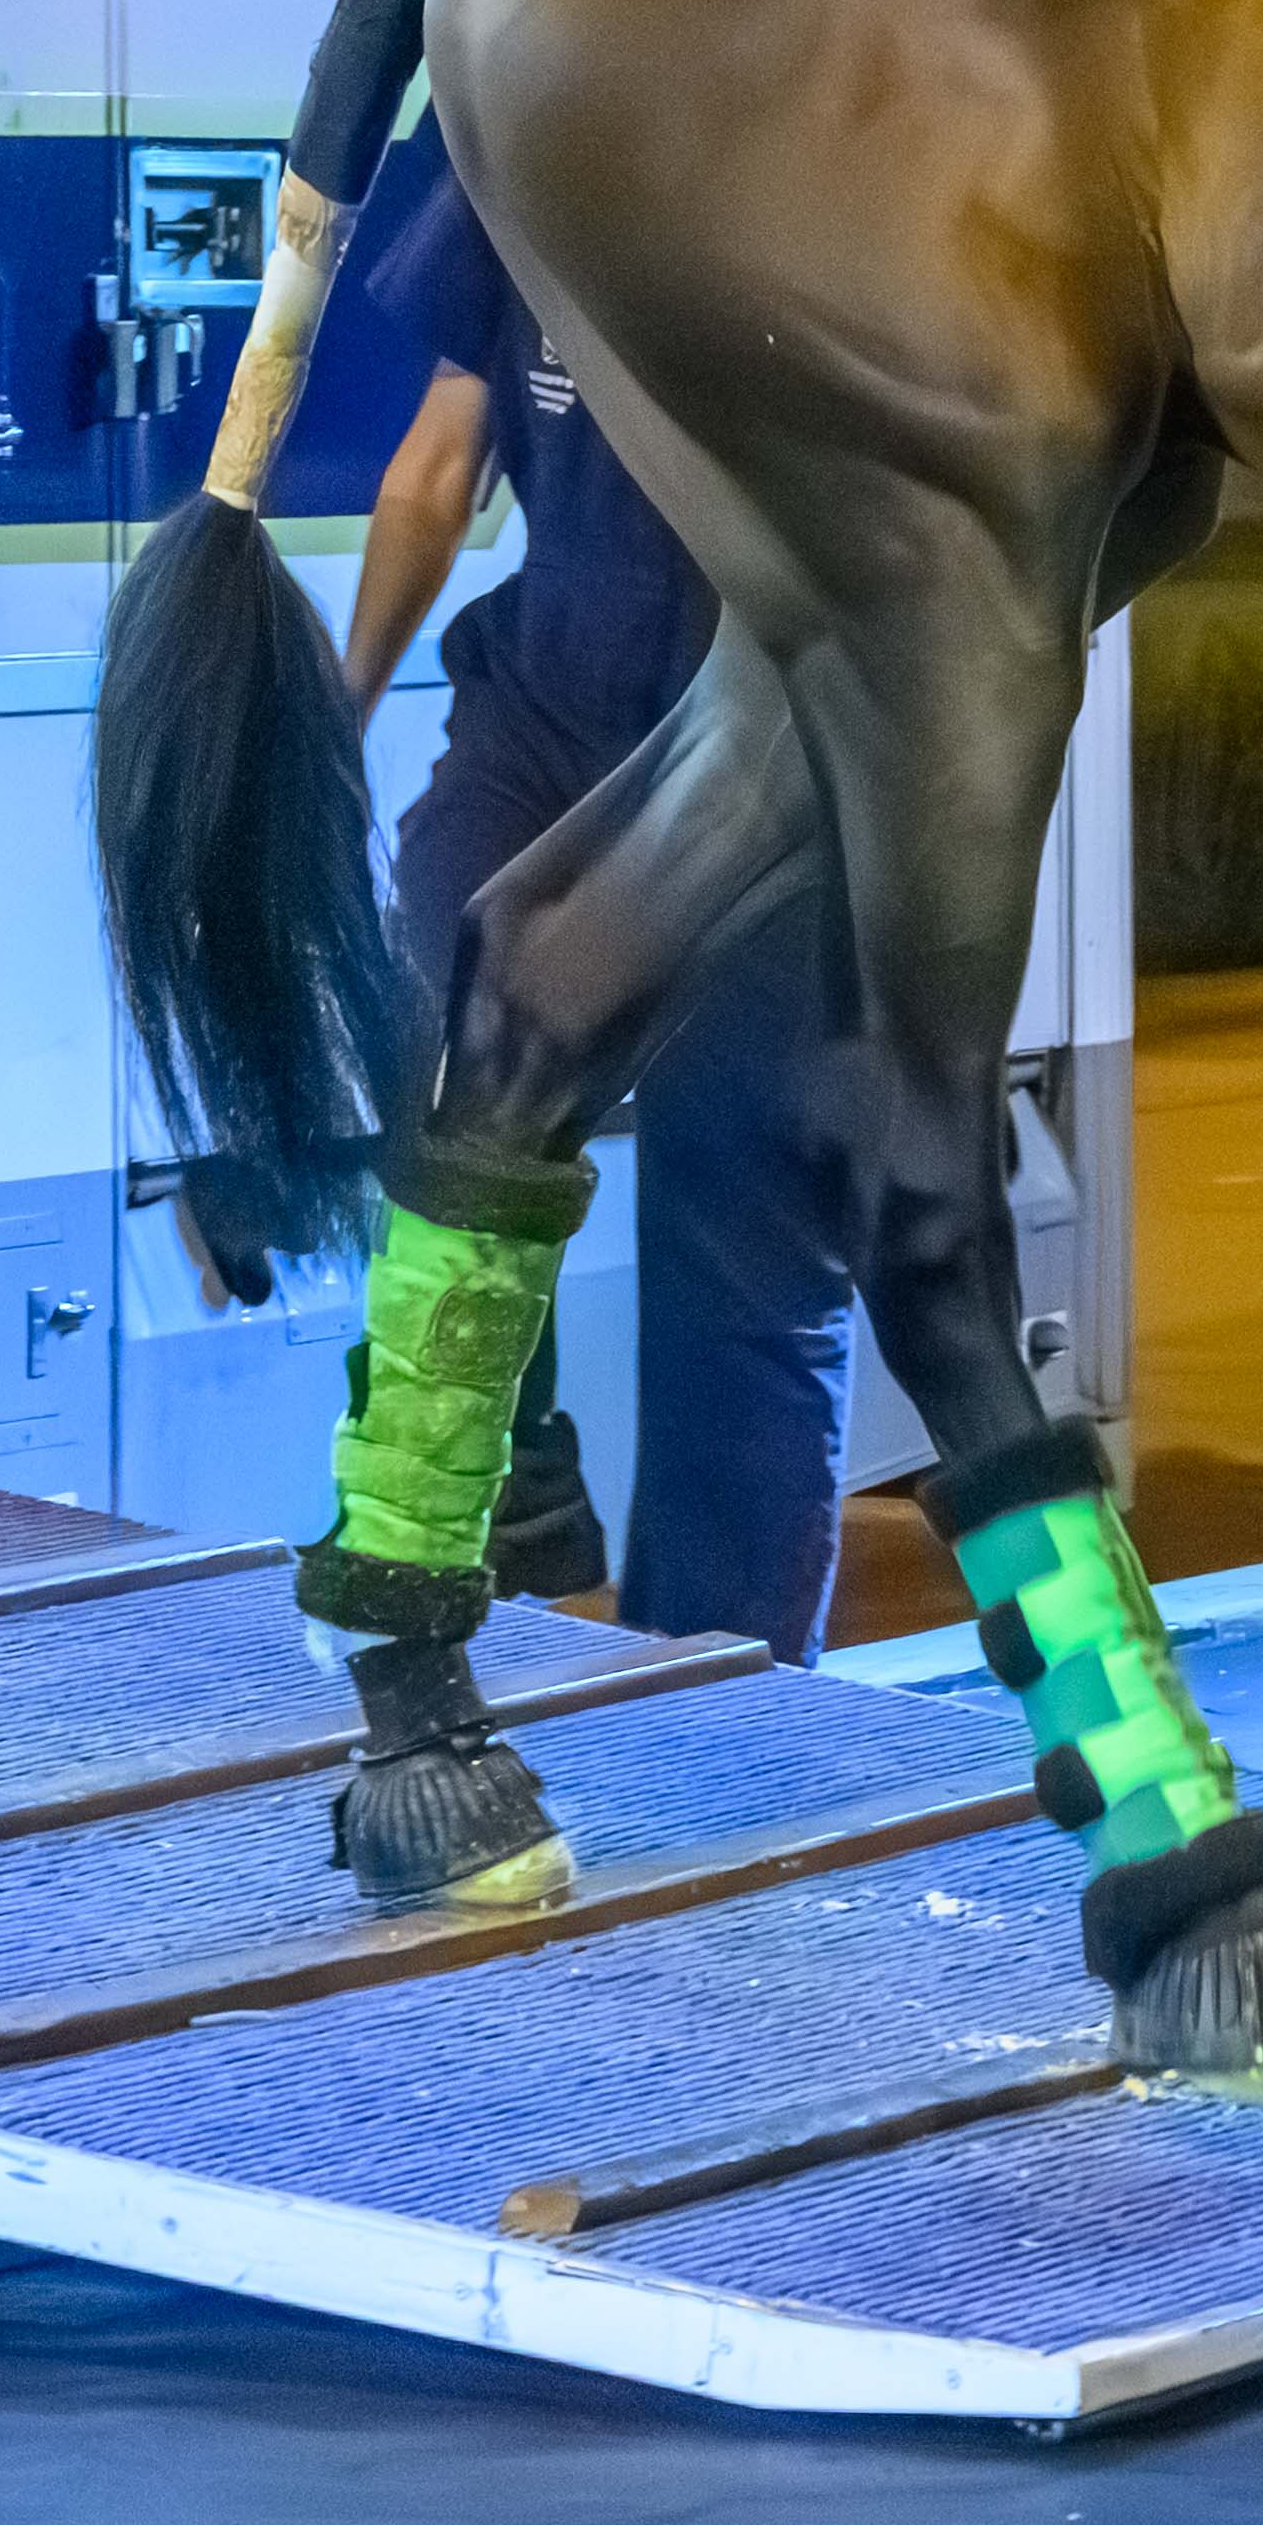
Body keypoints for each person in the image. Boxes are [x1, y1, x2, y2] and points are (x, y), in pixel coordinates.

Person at [337, 126, 877, 1662]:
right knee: (447, 997)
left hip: (767, 749)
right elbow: (446, 456)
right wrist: (340, 704)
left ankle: (729, 1701)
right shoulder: (520, 85)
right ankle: (514, 1475)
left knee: (749, 1269)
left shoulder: (830, 122)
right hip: (552, 711)